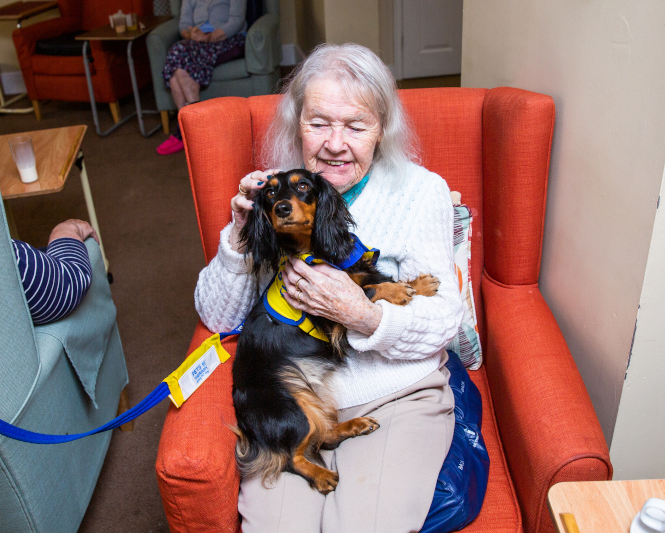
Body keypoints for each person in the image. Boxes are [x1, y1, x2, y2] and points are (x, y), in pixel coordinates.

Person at [194, 43, 463, 532]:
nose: (335, 144)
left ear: (382, 131)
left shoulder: (422, 192)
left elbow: (447, 318)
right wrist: (238, 237)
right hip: (292, 399)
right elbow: (217, 318)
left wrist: (363, 314)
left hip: (396, 394)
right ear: (296, 123)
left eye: (356, 126)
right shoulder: (277, 196)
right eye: (319, 123)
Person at [157, 0, 247, 155]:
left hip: (227, 38)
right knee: (177, 62)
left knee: (178, 55)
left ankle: (185, 131)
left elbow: (237, 20)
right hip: (197, 42)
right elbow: (184, 24)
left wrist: (211, 36)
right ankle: (192, 128)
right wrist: (190, 34)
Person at [13, 219, 97, 325]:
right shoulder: (2, 257)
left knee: (42, 251)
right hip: (54, 292)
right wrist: (65, 230)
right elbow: (68, 285)